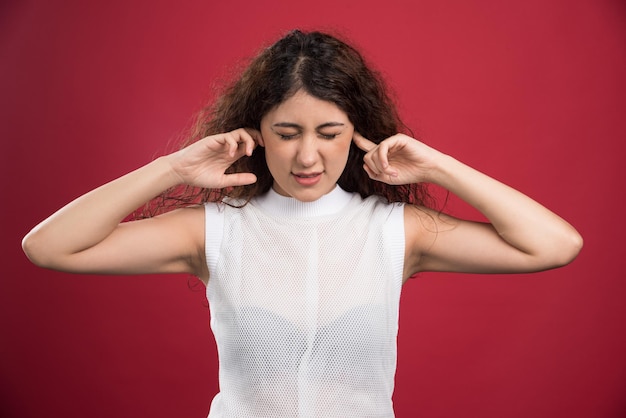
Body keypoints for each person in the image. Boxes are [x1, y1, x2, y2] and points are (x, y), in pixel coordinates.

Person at [22, 30, 582, 417]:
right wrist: (173, 167)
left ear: (359, 133)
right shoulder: (216, 229)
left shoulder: (395, 230)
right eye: (287, 133)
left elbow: (554, 245)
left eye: (329, 133)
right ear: (257, 132)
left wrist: (436, 165)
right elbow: (49, 247)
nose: (306, 157)